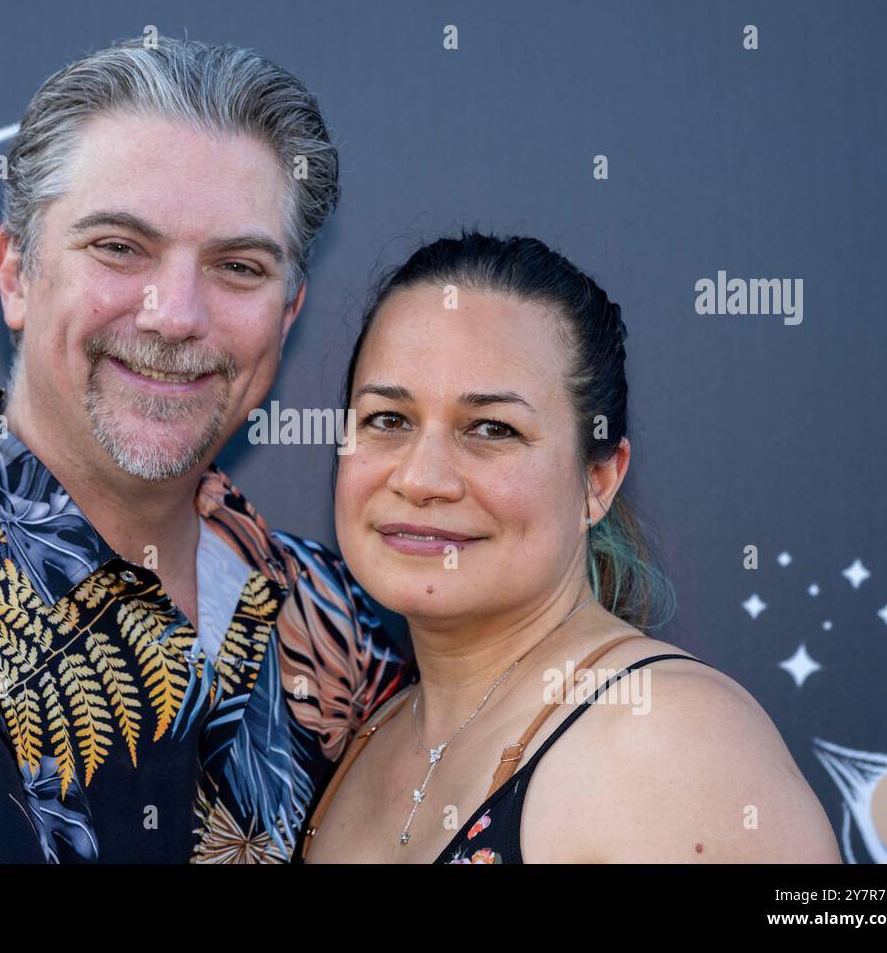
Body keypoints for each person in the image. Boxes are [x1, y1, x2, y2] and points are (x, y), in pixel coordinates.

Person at [0, 36, 408, 864]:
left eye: (238, 266)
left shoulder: (340, 609)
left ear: (288, 314)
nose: (174, 314)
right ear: (18, 274)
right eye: (120, 248)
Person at [299, 232, 842, 863]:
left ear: (599, 481)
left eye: (491, 428)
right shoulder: (364, 741)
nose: (421, 478)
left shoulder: (667, 739)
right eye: (388, 420)